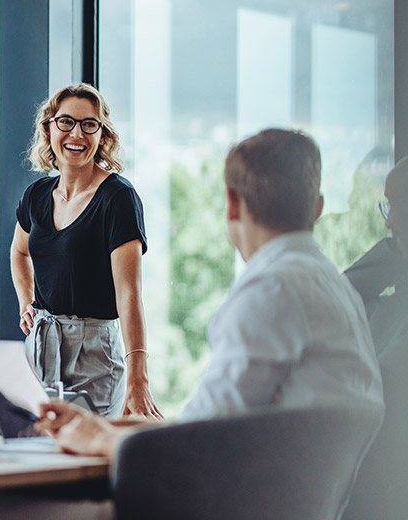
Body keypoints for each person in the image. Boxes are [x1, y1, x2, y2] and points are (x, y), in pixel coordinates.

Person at [36, 129, 383, 457]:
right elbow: (213, 423)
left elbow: (199, 446)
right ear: (317, 208)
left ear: (231, 204)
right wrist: (105, 426)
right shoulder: (335, 287)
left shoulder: (270, 291)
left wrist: (97, 438)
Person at [10, 83, 161, 418]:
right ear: (49, 128)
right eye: (66, 122)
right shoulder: (36, 195)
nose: (76, 133)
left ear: (102, 135)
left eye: (88, 124)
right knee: (35, 455)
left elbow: (129, 294)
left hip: (94, 354)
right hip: (40, 346)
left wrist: (139, 377)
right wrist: (26, 302)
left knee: (86, 461)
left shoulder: (118, 198)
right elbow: (19, 253)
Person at [342, 145, 408, 520]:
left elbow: (375, 385)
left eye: (399, 206)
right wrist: (399, 249)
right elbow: (340, 301)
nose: (388, 222)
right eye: (388, 206)